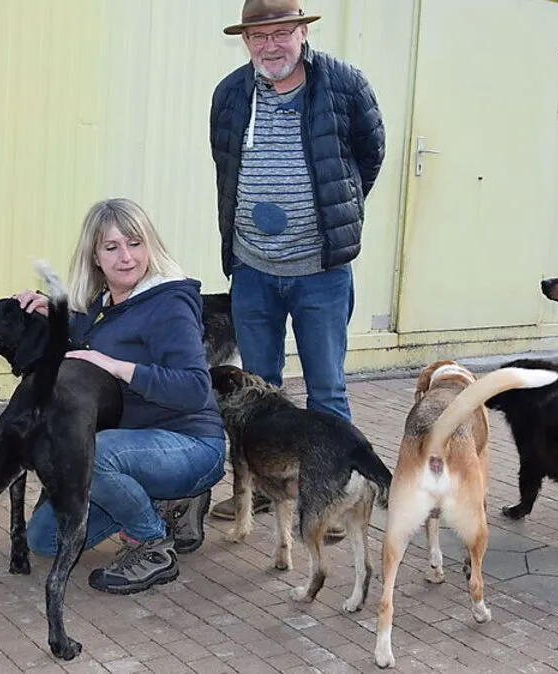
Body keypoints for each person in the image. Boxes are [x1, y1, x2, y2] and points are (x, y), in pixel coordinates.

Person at [208, 0, 385, 522]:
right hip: (252, 271)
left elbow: (367, 158)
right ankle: (267, 488)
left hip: (321, 274)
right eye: (258, 37)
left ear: (302, 33)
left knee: (326, 389)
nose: (271, 46)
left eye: (282, 33)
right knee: (257, 388)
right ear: (245, 41)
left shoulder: (344, 86)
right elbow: (226, 169)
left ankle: (329, 502)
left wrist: (331, 214)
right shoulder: (229, 95)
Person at [16, 197, 226, 595]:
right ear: (95, 256)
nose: (126, 257)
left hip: (191, 444)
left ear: (150, 245)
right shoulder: (103, 305)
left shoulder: (169, 303)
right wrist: (51, 311)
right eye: (111, 247)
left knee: (87, 453)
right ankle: (168, 501)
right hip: (134, 449)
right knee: (44, 540)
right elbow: (88, 339)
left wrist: (116, 367)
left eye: (134, 243)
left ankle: (152, 542)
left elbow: (195, 387)